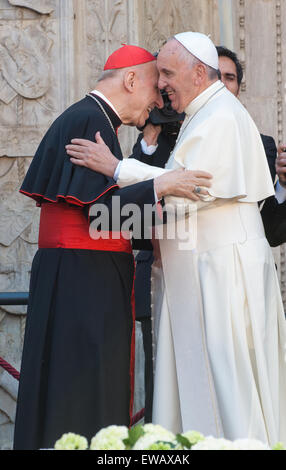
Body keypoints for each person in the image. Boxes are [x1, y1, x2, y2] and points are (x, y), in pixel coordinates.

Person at [66, 32, 286, 446]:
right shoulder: (202, 115)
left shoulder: (219, 116)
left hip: (221, 272)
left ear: (198, 73)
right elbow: (179, 185)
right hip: (200, 271)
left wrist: (118, 169)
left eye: (167, 72)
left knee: (227, 387)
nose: (161, 83)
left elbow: (191, 191)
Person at [13, 44, 213, 450]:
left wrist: (179, 229)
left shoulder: (91, 118)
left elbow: (103, 216)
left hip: (81, 276)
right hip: (84, 280)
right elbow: (101, 214)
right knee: (81, 389)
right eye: (155, 90)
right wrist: (160, 185)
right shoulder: (90, 120)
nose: (158, 102)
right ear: (131, 80)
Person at [216, 46, 286, 247]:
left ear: (238, 88)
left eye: (229, 77)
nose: (221, 83)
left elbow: (272, 234)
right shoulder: (172, 138)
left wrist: (282, 186)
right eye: (215, 75)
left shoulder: (262, 145)